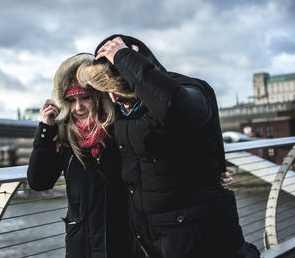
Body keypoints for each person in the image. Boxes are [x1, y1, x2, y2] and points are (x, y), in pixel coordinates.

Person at [77, 35, 260, 258]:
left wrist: (124, 56)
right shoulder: (121, 111)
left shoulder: (192, 89)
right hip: (152, 240)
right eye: (108, 92)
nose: (114, 99)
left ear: (137, 62)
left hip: (200, 236)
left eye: (120, 88)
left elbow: (176, 108)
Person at [27, 53, 131, 258]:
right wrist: (45, 130)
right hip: (82, 246)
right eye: (71, 100)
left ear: (99, 97)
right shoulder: (65, 139)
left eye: (85, 97)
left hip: (122, 242)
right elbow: (39, 182)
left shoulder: (120, 131)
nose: (78, 107)